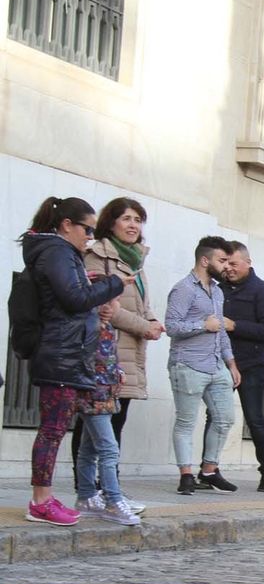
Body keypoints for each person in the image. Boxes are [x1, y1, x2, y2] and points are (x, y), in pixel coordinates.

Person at [18, 197, 127, 525]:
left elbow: (70, 295)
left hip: (68, 355)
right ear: (67, 225)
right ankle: (40, 501)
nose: (90, 237)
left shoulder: (62, 253)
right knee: (52, 431)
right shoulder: (57, 251)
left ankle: (50, 497)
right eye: (87, 229)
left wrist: (91, 283)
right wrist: (113, 283)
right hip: (61, 356)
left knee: (59, 430)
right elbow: (74, 299)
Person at [74, 196, 162, 505]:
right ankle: (90, 490)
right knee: (93, 423)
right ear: (110, 223)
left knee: (116, 421)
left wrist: (153, 321)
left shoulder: (136, 260)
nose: (133, 225)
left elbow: (141, 304)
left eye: (138, 220)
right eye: (126, 218)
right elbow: (103, 306)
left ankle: (109, 488)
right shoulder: (98, 255)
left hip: (129, 352)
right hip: (104, 350)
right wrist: (143, 326)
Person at [166, 237, 241, 495]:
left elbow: (221, 331)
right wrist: (202, 325)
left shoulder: (217, 291)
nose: (227, 266)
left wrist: (231, 363)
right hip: (188, 364)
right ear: (205, 260)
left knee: (225, 418)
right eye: (222, 261)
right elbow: (171, 326)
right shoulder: (184, 289)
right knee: (186, 422)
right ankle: (186, 475)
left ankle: (209, 470)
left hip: (216, 365)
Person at [73, 281, 140, 526]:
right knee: (109, 449)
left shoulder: (107, 327)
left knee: (89, 449)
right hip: (93, 396)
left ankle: (86, 497)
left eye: (116, 300)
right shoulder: (88, 325)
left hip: (106, 396)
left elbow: (108, 358)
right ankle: (113, 499)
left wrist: (117, 372)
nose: (115, 306)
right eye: (113, 300)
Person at [220, 243, 264, 492]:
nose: (228, 268)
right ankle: (208, 470)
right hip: (223, 363)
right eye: (225, 263)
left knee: (254, 418)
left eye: (233, 263)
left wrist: (235, 325)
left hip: (252, 364)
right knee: (216, 417)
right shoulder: (218, 289)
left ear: (248, 262)